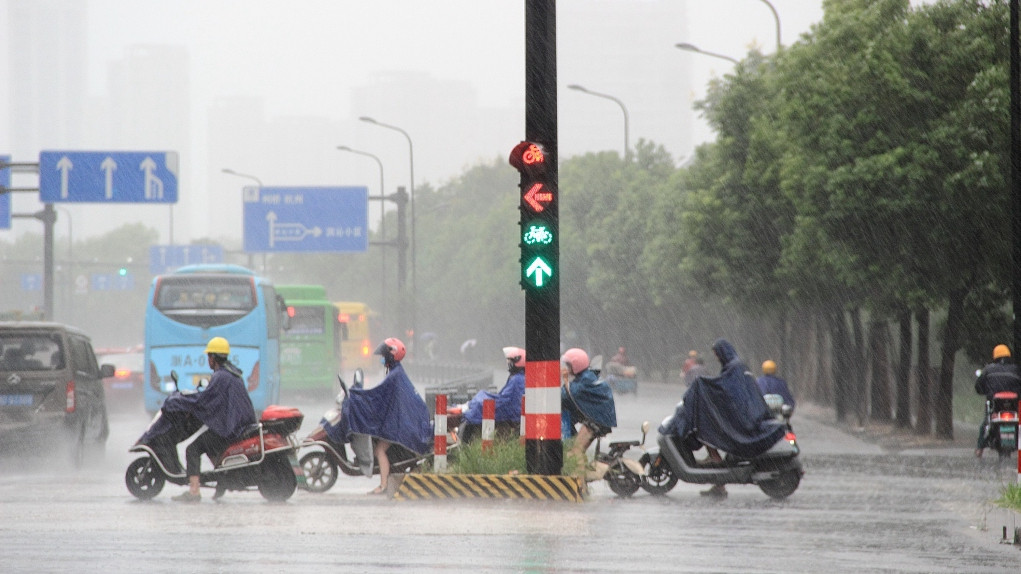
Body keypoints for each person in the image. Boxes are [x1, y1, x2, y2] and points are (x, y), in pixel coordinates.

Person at [659, 338, 785, 499]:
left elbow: (723, 386)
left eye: (717, 354)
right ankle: (719, 482)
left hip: (743, 416)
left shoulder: (734, 368)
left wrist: (702, 385)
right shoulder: (737, 366)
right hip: (745, 412)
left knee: (704, 426)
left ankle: (715, 458)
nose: (717, 358)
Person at [144, 337, 257, 503]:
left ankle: (194, 491)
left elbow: (203, 401)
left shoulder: (220, 377)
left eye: (209, 357)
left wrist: (179, 402)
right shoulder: (233, 374)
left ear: (213, 357)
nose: (208, 360)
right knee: (208, 444)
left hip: (230, 428)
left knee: (193, 449)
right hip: (237, 424)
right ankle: (222, 479)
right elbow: (212, 399)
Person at [339, 337, 431, 495]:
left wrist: (356, 395)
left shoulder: (394, 376)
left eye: (383, 356)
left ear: (391, 356)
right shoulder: (396, 373)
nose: (381, 359)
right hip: (401, 419)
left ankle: (383, 485)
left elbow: (376, 394)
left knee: (380, 450)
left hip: (400, 423)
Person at [560, 348, 617, 470]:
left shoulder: (586, 378)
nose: (567, 369)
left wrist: (565, 380)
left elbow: (571, 393)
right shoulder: (585, 376)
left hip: (597, 420)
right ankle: (582, 476)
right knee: (577, 450)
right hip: (597, 418)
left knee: (576, 451)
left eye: (569, 366)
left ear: (576, 365)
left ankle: (581, 483)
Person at [459, 346, 526, 442]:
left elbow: (505, 400)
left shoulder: (516, 380)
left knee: (476, 410)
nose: (508, 364)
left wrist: (479, 405)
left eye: (510, 361)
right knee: (483, 396)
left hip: (510, 414)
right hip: (514, 413)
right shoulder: (520, 378)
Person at [974, 344, 1021, 458]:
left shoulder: (988, 369)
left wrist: (986, 391)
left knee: (986, 423)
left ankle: (980, 449)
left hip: (996, 405)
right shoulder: (1016, 369)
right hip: (1014, 405)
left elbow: (978, 387)